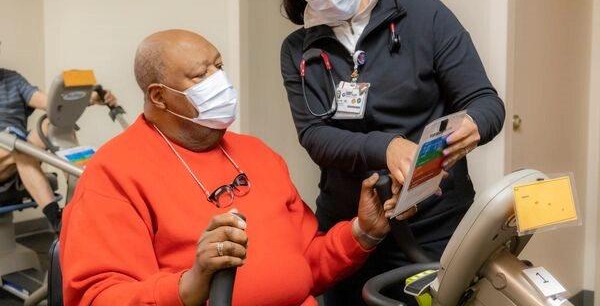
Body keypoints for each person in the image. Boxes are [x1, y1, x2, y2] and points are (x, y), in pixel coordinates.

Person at [59, 28, 399, 306]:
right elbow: (98, 297)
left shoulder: (256, 153)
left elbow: (305, 263)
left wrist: (362, 233)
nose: (218, 80)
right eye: (200, 74)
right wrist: (189, 285)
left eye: (218, 67)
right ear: (159, 97)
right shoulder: (112, 174)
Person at [271, 0, 506, 305]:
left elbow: (485, 103)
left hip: (435, 225)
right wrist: (387, 147)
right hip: (351, 230)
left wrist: (474, 124)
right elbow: (315, 136)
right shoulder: (299, 49)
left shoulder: (425, 16)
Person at [0, 68, 117, 233]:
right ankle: (70, 211)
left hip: (19, 150)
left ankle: (71, 211)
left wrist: (90, 99)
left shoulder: (12, 79)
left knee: (55, 122)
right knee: (21, 149)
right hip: (9, 150)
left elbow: (52, 104)